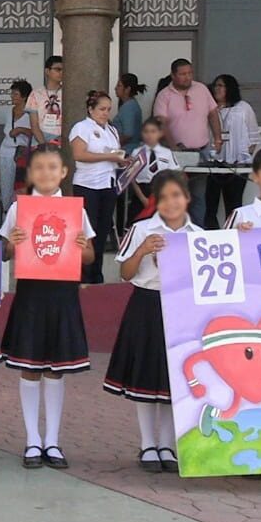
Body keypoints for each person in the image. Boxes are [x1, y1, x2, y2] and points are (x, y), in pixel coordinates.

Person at [0, 143, 94, 469]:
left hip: (62, 295)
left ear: (64, 172)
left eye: (53, 168)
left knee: (56, 370)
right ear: (30, 173)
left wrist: (82, 246)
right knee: (30, 366)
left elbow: (90, 256)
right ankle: (32, 440)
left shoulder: (74, 210)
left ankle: (52, 441)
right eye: (39, 168)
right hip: (30, 294)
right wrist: (12, 242)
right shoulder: (18, 209)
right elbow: (6, 252)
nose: (46, 173)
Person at [105, 170, 197, 473]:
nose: (171, 203)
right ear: (156, 201)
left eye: (177, 196)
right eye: (164, 197)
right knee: (145, 374)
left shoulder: (198, 235)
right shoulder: (142, 230)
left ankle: (168, 445)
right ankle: (147, 443)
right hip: (147, 304)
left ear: (188, 198)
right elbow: (125, 274)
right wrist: (143, 250)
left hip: (182, 309)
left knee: (175, 379)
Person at [70, 91, 129, 284]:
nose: (105, 113)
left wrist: (123, 161)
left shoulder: (111, 130)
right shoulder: (81, 127)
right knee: (88, 231)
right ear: (90, 109)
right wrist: (109, 157)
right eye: (102, 109)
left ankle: (97, 274)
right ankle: (84, 274)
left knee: (103, 230)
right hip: (87, 184)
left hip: (108, 183)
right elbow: (79, 155)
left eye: (108, 109)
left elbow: (115, 154)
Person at [153, 58, 222, 223]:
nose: (187, 77)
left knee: (198, 195)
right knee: (175, 193)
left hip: (201, 149)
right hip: (175, 152)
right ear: (173, 75)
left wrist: (218, 138)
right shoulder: (164, 95)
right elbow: (161, 123)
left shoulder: (202, 89)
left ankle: (197, 232)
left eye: (190, 73)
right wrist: (173, 146)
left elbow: (213, 114)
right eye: (183, 74)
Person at [207, 74, 259, 228]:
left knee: (234, 204)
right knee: (210, 204)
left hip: (237, 163)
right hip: (214, 163)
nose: (217, 89)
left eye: (221, 85)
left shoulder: (243, 107)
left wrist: (245, 156)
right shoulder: (210, 108)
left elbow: (253, 134)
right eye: (215, 85)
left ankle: (234, 236)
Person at [128, 118, 178, 222]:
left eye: (153, 131)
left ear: (160, 133)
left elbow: (174, 174)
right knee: (138, 222)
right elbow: (131, 177)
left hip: (162, 193)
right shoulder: (137, 152)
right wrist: (142, 198)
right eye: (146, 132)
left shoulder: (167, 153)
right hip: (142, 192)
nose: (149, 135)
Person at [0, 80, 35, 212]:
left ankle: (20, 215)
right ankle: (7, 216)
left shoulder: (32, 113)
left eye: (16, 94)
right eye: (12, 94)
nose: (12, 97)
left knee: (21, 186)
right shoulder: (9, 112)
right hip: (7, 152)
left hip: (22, 153)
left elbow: (36, 133)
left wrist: (21, 130)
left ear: (24, 96)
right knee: (6, 186)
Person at [25, 55, 64, 145]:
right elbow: (34, 125)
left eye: (63, 70)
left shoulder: (68, 93)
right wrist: (43, 145)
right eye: (57, 69)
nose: (61, 73)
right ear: (47, 71)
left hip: (62, 140)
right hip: (40, 140)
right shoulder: (36, 93)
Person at [112, 73, 147, 153]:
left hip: (127, 151)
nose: (115, 88)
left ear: (127, 89)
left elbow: (128, 134)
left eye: (119, 86)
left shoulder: (128, 107)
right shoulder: (131, 104)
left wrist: (113, 145)